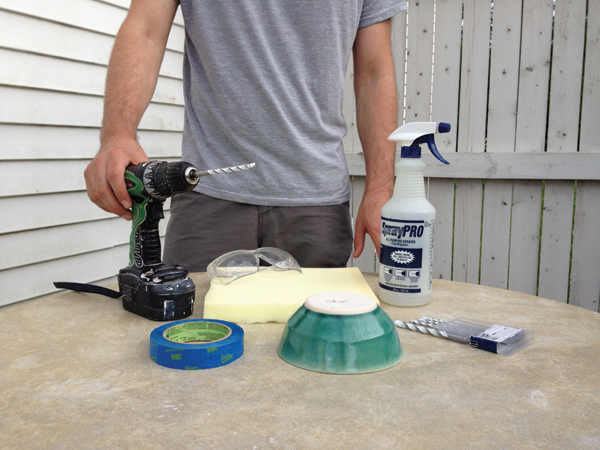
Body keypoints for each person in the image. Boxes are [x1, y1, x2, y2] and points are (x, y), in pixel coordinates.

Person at [84, 0, 408, 272]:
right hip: (209, 197)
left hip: (316, 204)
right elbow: (145, 31)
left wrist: (381, 186)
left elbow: (374, 72)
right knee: (189, 338)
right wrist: (117, 134)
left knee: (312, 343)